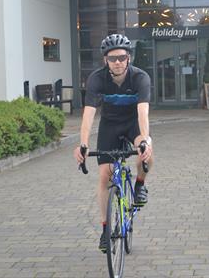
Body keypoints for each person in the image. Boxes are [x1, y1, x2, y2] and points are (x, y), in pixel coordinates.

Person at [73, 33, 153, 253]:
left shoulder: (140, 78)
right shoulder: (97, 79)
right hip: (109, 125)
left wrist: (144, 141)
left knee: (147, 152)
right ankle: (106, 230)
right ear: (105, 60)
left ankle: (139, 184)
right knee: (104, 176)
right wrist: (83, 144)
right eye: (112, 58)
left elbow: (143, 112)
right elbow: (88, 114)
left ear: (129, 58)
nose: (117, 62)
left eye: (121, 57)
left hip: (133, 124)